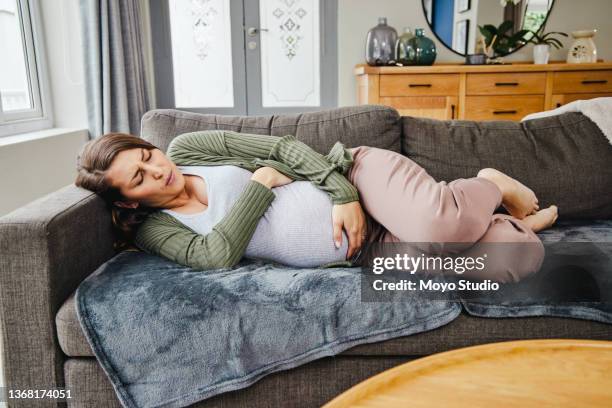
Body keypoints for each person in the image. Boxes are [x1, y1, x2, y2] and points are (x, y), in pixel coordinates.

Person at [75, 130, 558, 283]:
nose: (158, 170)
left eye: (147, 155)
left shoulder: (189, 147)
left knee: (438, 222)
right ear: (125, 199)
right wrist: (260, 185)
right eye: (139, 177)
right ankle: (495, 221)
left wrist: (345, 195)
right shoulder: (153, 229)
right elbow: (214, 255)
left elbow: (286, 149)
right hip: (363, 251)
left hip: (358, 179)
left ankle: (487, 184)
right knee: (513, 258)